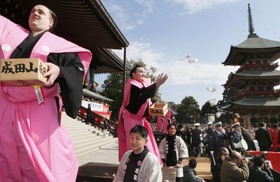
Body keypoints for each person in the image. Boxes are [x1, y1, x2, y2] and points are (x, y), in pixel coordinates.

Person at [0, 5, 92, 182]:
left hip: (39, 105)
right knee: (7, 154)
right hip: (6, 103)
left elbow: (76, 68)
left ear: (50, 23)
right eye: (32, 10)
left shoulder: (58, 46)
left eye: (41, 12)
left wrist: (59, 70)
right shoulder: (12, 36)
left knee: (47, 155)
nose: (35, 13)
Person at [117, 64, 168, 162]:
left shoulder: (143, 85)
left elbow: (144, 98)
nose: (143, 73)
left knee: (145, 142)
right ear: (133, 74)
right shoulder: (131, 84)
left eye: (144, 72)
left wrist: (153, 106)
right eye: (140, 71)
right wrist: (157, 84)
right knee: (134, 141)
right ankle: (132, 163)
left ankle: (147, 163)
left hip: (141, 120)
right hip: (131, 118)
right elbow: (142, 94)